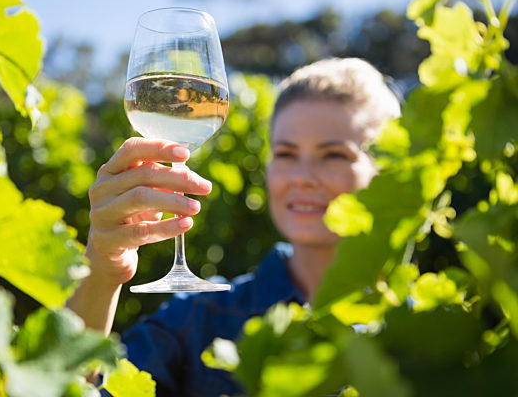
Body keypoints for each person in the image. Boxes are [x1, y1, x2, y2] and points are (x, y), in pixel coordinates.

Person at [66, 57, 401, 396]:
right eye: (286, 154)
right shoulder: (197, 320)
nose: (301, 177)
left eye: (333, 155)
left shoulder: (436, 329)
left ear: (386, 171)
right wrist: (102, 272)